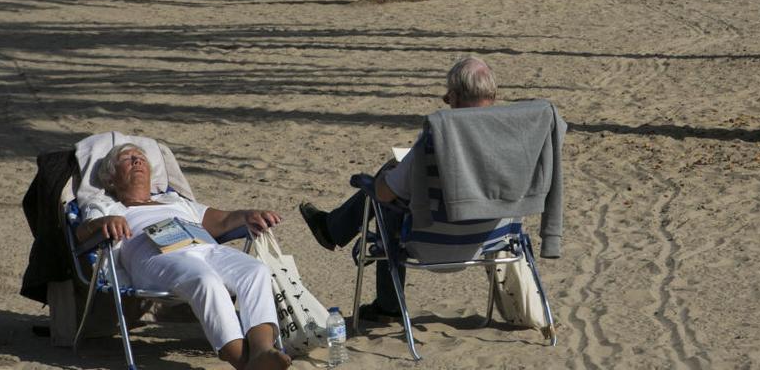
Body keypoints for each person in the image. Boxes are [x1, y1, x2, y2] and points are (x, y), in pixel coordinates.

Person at [299, 56, 497, 321]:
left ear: (458, 96)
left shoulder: (438, 138)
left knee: (387, 193)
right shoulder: (513, 138)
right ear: (492, 96)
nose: (446, 102)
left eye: (447, 97)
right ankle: (333, 228)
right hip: (488, 240)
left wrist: (385, 175)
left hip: (432, 245)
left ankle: (385, 300)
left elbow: (384, 194)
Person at [76, 144, 290, 370]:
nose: (137, 161)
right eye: (127, 159)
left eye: (140, 157)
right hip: (154, 256)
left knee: (254, 270)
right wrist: (103, 223)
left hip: (204, 247)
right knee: (205, 280)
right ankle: (241, 361)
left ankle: (262, 349)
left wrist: (249, 215)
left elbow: (222, 221)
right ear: (110, 179)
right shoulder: (107, 205)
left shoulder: (174, 201)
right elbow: (82, 233)